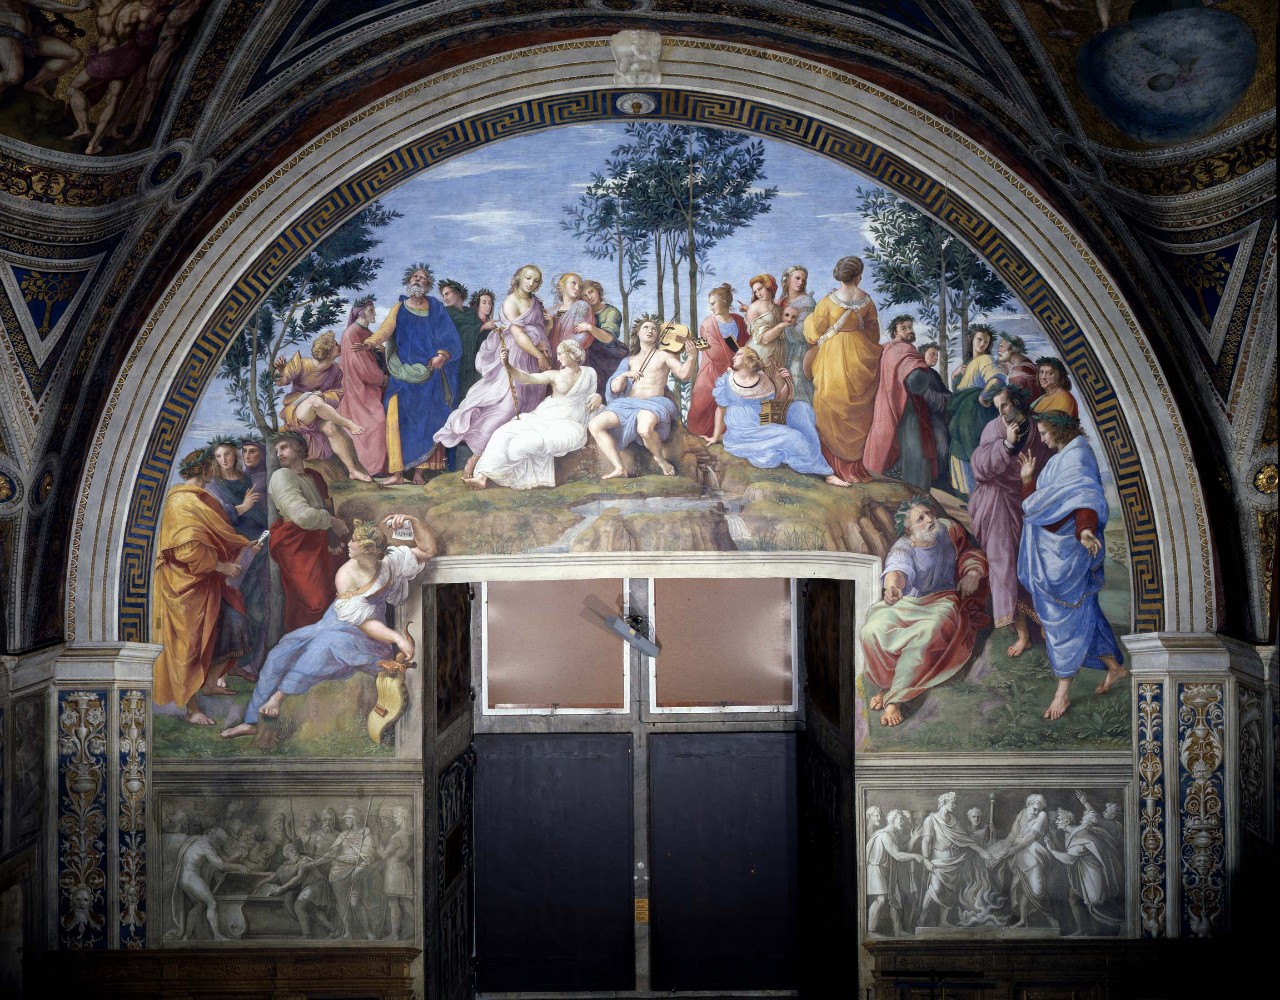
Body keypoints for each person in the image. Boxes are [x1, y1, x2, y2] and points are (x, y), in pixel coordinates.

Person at [221, 514, 435, 739]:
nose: (349, 544)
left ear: (370, 549)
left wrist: (412, 520)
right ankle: (252, 721)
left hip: (365, 637)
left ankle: (278, 698)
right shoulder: (346, 575)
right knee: (280, 652)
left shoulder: (391, 562)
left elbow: (428, 550)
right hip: (334, 624)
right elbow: (360, 620)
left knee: (320, 649)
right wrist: (397, 638)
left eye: (354, 541)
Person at [1018, 411, 1126, 720]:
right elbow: (1044, 505)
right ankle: (1115, 668)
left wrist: (1085, 531)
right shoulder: (1060, 458)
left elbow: (1084, 498)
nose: (1042, 439)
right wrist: (1027, 481)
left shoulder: (1077, 457)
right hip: (1051, 550)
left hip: (1069, 553)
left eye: (1045, 432)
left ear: (1059, 429)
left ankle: (1062, 693)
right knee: (1086, 611)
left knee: (1063, 622)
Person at [152, 449, 260, 725]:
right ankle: (192, 709)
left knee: (233, 620)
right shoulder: (181, 501)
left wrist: (245, 546)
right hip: (185, 586)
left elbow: (218, 535)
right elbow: (187, 550)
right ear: (204, 470)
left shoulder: (200, 498)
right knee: (189, 644)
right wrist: (221, 567)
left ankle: (211, 682)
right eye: (212, 466)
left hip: (207, 583)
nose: (215, 470)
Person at [860, 497, 989, 727]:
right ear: (909, 529)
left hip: (943, 601)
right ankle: (889, 685)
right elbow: (897, 571)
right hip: (909, 602)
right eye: (921, 518)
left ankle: (895, 699)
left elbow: (969, 553)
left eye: (929, 513)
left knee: (927, 633)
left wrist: (972, 573)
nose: (930, 519)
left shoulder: (949, 531)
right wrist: (892, 588)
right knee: (871, 631)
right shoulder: (903, 546)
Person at [435, 264, 551, 480]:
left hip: (533, 359)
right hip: (517, 357)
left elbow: (537, 329)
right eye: (528, 278)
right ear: (518, 278)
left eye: (536, 281)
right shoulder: (510, 302)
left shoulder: (535, 302)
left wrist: (544, 339)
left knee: (529, 409)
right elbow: (519, 335)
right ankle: (474, 459)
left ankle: (512, 467)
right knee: (507, 407)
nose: (531, 284)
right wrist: (538, 354)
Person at [356, 264, 463, 483]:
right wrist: (370, 343)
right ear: (409, 281)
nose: (418, 280)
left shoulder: (435, 307)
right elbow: (386, 329)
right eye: (415, 276)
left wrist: (442, 355)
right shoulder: (399, 307)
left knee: (427, 421)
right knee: (395, 417)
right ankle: (397, 474)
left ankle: (418, 473)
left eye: (423, 278)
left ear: (427, 285)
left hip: (428, 373)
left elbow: (448, 335)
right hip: (401, 372)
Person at [969, 384, 1049, 658]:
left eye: (1004, 405)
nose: (1001, 412)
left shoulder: (1037, 430)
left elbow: (1046, 463)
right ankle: (1023, 635)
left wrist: (1030, 480)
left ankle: (1046, 625)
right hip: (998, 503)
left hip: (1028, 501)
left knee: (1032, 565)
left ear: (1016, 402)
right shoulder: (994, 428)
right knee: (1004, 565)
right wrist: (1006, 445)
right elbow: (979, 466)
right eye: (997, 408)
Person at [464, 340, 602, 490]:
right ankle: (482, 477)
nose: (557, 358)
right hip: (543, 417)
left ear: (571, 354)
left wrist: (598, 397)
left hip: (569, 425)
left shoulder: (589, 373)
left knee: (519, 446)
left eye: (560, 354)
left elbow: (592, 396)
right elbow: (527, 378)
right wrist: (508, 366)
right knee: (503, 432)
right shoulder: (554, 375)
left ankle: (500, 474)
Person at [702, 347, 846, 486]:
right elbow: (720, 409)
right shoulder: (727, 379)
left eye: (739, 354)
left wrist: (786, 381)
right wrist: (715, 437)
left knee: (802, 409)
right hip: (743, 430)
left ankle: (813, 457)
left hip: (763, 420)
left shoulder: (763, 379)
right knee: (792, 436)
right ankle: (827, 474)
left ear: (749, 359)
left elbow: (776, 402)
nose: (734, 357)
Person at [802, 256, 882, 484]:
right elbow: (873, 333)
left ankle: (832, 469)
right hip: (859, 355)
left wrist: (809, 326)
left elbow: (813, 331)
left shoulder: (828, 301)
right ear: (858, 275)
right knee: (856, 411)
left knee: (829, 403)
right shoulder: (867, 301)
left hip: (833, 356)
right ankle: (854, 469)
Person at [588, 316, 697, 480]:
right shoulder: (629, 360)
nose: (650, 331)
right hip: (627, 404)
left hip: (654, 403)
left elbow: (684, 374)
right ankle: (620, 468)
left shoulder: (664, 355)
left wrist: (692, 357)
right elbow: (615, 388)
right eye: (646, 327)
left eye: (654, 329)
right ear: (637, 333)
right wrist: (625, 374)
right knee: (594, 425)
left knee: (644, 430)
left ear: (658, 335)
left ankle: (660, 460)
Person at [267, 432, 349, 632]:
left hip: (320, 539)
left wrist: (333, 538)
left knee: (334, 594)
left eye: (284, 447)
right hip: (296, 542)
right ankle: (305, 643)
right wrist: (331, 522)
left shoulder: (314, 476)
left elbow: (327, 507)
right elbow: (301, 515)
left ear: (300, 448)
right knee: (315, 601)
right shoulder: (281, 475)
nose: (279, 453)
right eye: (277, 450)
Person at [205, 438, 269, 679]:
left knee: (255, 605)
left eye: (228, 454)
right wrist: (242, 507)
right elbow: (218, 517)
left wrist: (262, 536)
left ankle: (242, 662)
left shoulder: (245, 481)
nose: (224, 460)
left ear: (235, 456)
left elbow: (261, 516)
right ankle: (222, 669)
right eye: (219, 456)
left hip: (257, 547)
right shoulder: (213, 484)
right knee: (230, 604)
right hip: (231, 550)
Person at [64, 0, 163, 155]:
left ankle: (83, 127)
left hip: (102, 59)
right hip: (122, 61)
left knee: (73, 89)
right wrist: (152, 26)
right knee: (113, 99)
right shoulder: (143, 12)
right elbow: (144, 43)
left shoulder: (105, 4)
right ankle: (93, 145)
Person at [274, 331, 372, 482]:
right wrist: (280, 370)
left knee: (330, 427)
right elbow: (282, 381)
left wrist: (323, 397)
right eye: (335, 344)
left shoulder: (335, 370)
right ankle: (348, 424)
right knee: (313, 400)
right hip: (297, 412)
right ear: (327, 350)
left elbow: (337, 393)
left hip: (317, 415)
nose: (339, 345)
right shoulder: (302, 363)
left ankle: (352, 471)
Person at [863, 315, 949, 489]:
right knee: (915, 452)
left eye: (910, 327)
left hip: (887, 406)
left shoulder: (886, 349)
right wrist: (924, 378)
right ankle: (916, 493)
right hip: (907, 408)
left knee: (892, 450)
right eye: (904, 328)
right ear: (895, 332)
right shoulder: (903, 350)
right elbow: (915, 381)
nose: (909, 331)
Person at [917, 792, 995, 928]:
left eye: (955, 803)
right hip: (939, 861)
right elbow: (926, 841)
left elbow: (965, 840)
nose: (955, 805)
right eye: (953, 803)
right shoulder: (931, 820)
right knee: (935, 889)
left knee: (949, 892)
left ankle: (943, 921)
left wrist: (981, 851)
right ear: (944, 803)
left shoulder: (954, 820)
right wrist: (926, 859)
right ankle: (922, 917)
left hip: (954, 861)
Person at [946, 324, 1003, 497]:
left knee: (974, 455)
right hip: (962, 412)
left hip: (974, 413)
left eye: (986, 341)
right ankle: (969, 500)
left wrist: (983, 396)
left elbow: (997, 379)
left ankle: (982, 500)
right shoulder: (968, 363)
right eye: (979, 339)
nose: (982, 344)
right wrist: (954, 375)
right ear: (972, 340)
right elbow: (958, 389)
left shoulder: (985, 359)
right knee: (959, 454)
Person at [1048, 804, 1123, 936]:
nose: (1056, 821)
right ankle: (1083, 930)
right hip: (1084, 874)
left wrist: (1051, 849)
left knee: (1096, 903)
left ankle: (1121, 923)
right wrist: (1054, 840)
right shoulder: (1071, 833)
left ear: (1067, 821)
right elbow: (1068, 851)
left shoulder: (1081, 836)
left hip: (1092, 875)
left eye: (1059, 819)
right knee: (1073, 897)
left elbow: (1069, 859)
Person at [167, 827, 251, 941]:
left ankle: (186, 936)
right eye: (219, 841)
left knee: (199, 905)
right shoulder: (207, 846)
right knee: (212, 904)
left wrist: (217, 871)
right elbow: (221, 865)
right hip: (191, 878)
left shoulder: (198, 839)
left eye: (221, 842)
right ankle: (217, 936)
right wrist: (238, 867)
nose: (219, 845)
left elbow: (210, 862)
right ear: (212, 835)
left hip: (183, 878)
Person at [687, 283, 747, 438]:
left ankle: (723, 434)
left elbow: (744, 343)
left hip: (735, 369)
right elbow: (711, 349)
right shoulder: (708, 323)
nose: (711, 307)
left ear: (724, 301)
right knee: (701, 399)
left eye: (713, 303)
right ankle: (698, 435)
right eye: (710, 304)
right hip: (711, 370)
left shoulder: (739, 321)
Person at [337, 297, 388, 477]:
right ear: (360, 312)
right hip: (358, 389)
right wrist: (382, 379)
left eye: (374, 309)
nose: (374, 313)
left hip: (370, 388)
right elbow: (359, 366)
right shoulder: (352, 333)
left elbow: (372, 356)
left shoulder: (366, 332)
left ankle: (380, 469)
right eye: (370, 310)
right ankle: (371, 469)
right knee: (376, 424)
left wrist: (382, 352)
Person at [0, 0, 89, 100]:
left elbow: (33, 12)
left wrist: (55, 34)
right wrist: (77, 8)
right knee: (13, 76)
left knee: (74, 55)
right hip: (6, 34)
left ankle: (35, 83)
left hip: (29, 37)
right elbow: (41, 3)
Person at [866, 808, 931, 935]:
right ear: (893, 820)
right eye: (900, 819)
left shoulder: (894, 835)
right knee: (881, 899)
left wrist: (913, 839)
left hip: (886, 870)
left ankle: (898, 930)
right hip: (877, 869)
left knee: (893, 900)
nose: (903, 822)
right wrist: (915, 856)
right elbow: (897, 855)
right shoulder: (885, 835)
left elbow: (903, 851)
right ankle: (870, 930)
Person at [1000, 794, 1057, 929]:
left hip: (1034, 853)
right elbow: (1012, 835)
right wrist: (1003, 850)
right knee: (1022, 888)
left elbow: (1032, 836)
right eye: (1034, 808)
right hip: (1019, 855)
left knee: (1038, 890)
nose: (1036, 812)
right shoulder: (1022, 814)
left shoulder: (1042, 815)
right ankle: (1023, 920)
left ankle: (1050, 917)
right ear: (1028, 804)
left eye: (1039, 809)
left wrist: (1013, 850)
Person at [266, 843, 336, 938]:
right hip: (315, 885)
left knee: (298, 906)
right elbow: (279, 874)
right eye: (290, 851)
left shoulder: (304, 861)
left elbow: (298, 878)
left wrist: (282, 888)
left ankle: (306, 934)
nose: (294, 851)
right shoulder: (296, 861)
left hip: (316, 885)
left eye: (293, 849)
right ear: (286, 855)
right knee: (313, 910)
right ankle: (333, 929)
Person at [439, 279, 484, 403]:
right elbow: (453, 335)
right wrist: (480, 328)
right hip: (457, 362)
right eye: (443, 295)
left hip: (473, 359)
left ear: (458, 293)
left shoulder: (471, 313)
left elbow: (481, 333)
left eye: (447, 293)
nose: (445, 298)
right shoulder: (446, 314)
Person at [777, 264, 817, 402]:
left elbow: (800, 333)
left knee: (796, 387)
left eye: (803, 280)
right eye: (797, 278)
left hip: (798, 352)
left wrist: (778, 328)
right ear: (787, 279)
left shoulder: (808, 301)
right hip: (781, 349)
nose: (801, 282)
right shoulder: (781, 301)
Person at [580, 280, 629, 386]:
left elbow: (608, 338)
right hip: (590, 355)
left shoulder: (611, 312)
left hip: (609, 355)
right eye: (584, 295)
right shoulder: (582, 314)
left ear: (598, 291)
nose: (589, 297)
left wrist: (590, 327)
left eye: (591, 292)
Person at [379, 806, 414, 939]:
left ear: (403, 817)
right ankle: (419, 927)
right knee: (405, 902)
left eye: (395, 817)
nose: (394, 820)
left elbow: (384, 855)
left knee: (393, 903)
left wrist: (377, 843)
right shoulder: (412, 832)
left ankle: (394, 934)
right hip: (404, 869)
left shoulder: (397, 836)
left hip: (394, 871)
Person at [741, 273, 787, 371]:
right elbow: (764, 339)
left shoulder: (778, 308)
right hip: (761, 353)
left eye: (760, 289)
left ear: (769, 286)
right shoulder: (754, 309)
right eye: (755, 291)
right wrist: (781, 326)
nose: (758, 294)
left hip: (777, 352)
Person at [997, 333, 1041, 403]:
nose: (998, 350)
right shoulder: (1027, 362)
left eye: (1001, 346)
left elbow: (1015, 403)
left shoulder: (1016, 375)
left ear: (1011, 349)